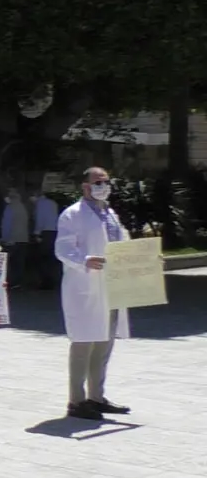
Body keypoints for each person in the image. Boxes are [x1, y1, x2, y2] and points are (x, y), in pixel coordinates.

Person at [56, 167, 132, 421]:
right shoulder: (72, 215)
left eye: (107, 181)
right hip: (85, 287)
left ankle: (96, 397)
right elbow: (63, 249)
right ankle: (76, 401)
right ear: (85, 186)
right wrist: (84, 260)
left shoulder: (109, 214)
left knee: (104, 343)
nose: (104, 185)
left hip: (110, 286)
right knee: (83, 343)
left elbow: (125, 245)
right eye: (98, 182)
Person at [0, 188, 32, 288]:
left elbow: (7, 225)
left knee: (9, 263)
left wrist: (4, 238)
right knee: (19, 263)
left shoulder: (10, 208)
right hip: (23, 238)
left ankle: (9, 282)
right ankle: (18, 283)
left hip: (11, 239)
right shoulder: (23, 208)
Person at [32, 189, 63, 290]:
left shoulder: (40, 204)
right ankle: (54, 281)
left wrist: (37, 233)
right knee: (52, 259)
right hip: (55, 231)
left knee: (42, 259)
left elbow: (40, 219)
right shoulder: (53, 203)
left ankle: (45, 282)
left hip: (45, 233)